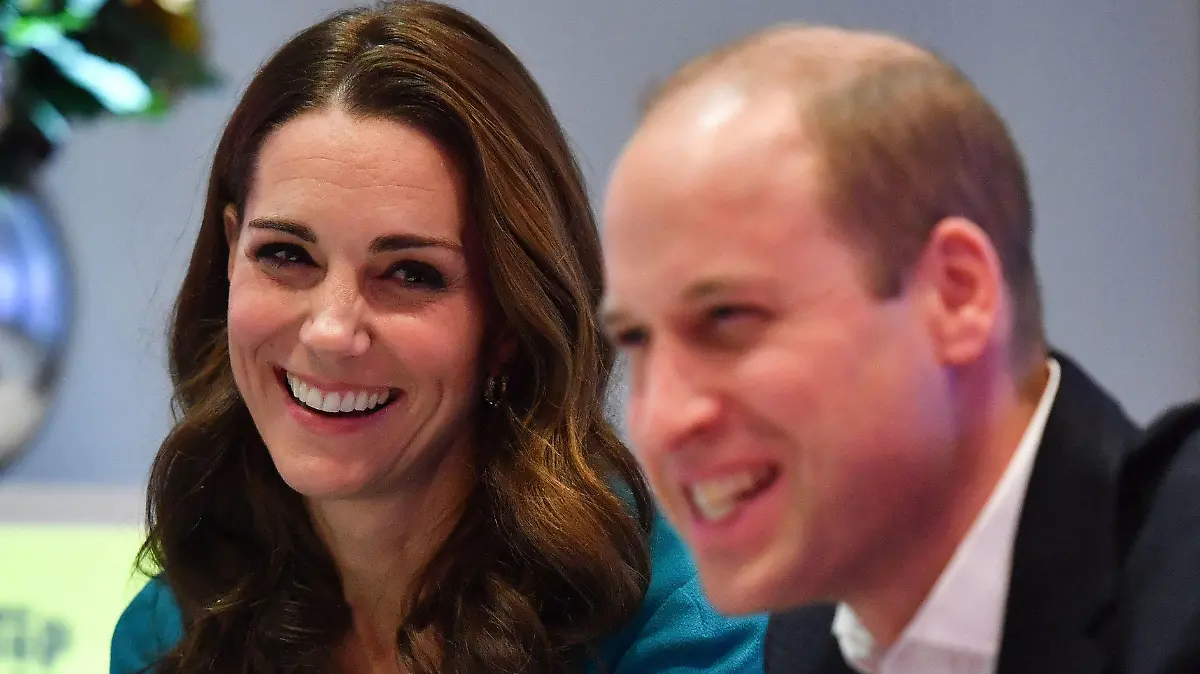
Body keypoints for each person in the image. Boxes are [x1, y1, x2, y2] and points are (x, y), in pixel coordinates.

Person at [109, 2, 766, 673]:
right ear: (229, 256)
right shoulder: (175, 631)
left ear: (509, 321)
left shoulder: (682, 621)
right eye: (285, 254)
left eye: (411, 273)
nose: (332, 330)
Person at [599, 21, 1200, 674]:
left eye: (728, 319)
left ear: (955, 295)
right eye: (637, 340)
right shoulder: (804, 642)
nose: (660, 422)